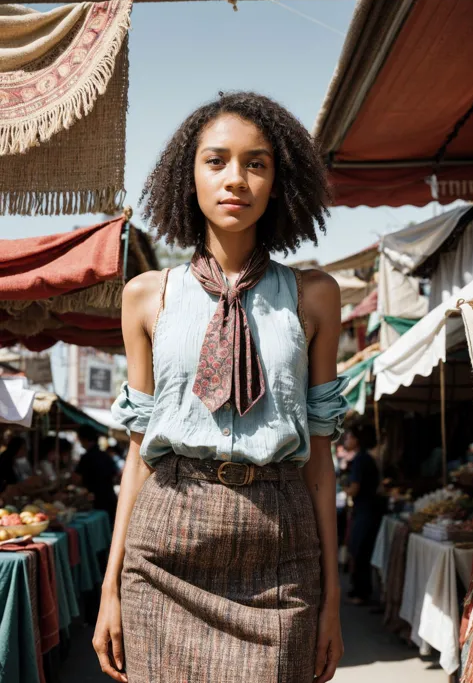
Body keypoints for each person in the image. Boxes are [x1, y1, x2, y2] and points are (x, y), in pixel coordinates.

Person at [94, 92, 349, 683]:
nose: (236, 178)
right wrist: (110, 588)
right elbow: (138, 453)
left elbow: (321, 461)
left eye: (256, 163)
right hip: (164, 555)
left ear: (279, 182)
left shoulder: (315, 296)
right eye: (216, 161)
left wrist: (332, 602)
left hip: (280, 552)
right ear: (189, 177)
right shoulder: (146, 296)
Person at [344, 422, 381, 605]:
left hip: (365, 511)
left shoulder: (360, 460)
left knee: (360, 551)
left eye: (349, 436)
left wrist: (346, 488)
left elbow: (355, 488)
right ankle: (360, 590)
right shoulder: (365, 458)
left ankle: (361, 592)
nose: (346, 439)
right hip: (368, 510)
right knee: (361, 551)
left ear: (357, 440)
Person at [75, 425, 118, 524]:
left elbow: (76, 479)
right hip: (110, 498)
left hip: (95, 502)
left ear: (84, 439)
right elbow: (115, 474)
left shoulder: (86, 458)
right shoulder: (106, 456)